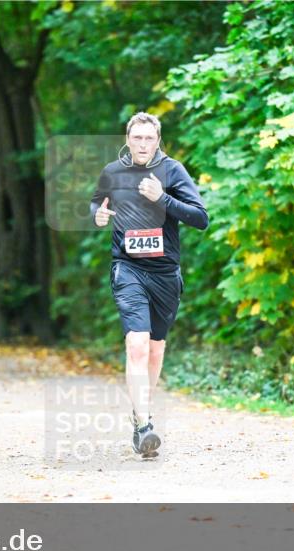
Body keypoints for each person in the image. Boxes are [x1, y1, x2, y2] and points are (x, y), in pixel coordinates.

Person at [90, 112, 209, 457]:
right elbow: (98, 202)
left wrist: (163, 198)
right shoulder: (113, 172)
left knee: (156, 349)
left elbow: (200, 218)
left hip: (164, 273)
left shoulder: (173, 172)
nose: (142, 144)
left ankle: (142, 413)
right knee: (137, 345)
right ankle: (144, 427)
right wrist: (96, 213)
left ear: (158, 140)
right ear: (127, 138)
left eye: (149, 138)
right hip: (127, 268)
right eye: (137, 138)